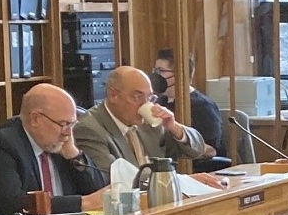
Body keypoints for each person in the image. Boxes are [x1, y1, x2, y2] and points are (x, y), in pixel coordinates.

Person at [0, 83, 109, 215]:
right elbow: (17, 205)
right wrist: (83, 203)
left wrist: (73, 154)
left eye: (72, 124)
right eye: (63, 124)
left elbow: (97, 192)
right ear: (35, 119)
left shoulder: (57, 145)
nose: (68, 132)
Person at [76, 66, 216, 186]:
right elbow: (117, 178)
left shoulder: (149, 123)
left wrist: (173, 127)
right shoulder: (89, 129)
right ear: (113, 95)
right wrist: (181, 182)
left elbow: (197, 150)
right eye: (137, 97)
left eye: (149, 97)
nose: (145, 104)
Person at [152, 48, 227, 170]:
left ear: (179, 74)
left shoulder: (203, 106)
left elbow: (211, 149)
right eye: (155, 70)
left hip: (196, 170)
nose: (156, 76)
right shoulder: (159, 102)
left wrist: (182, 141)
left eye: (161, 71)